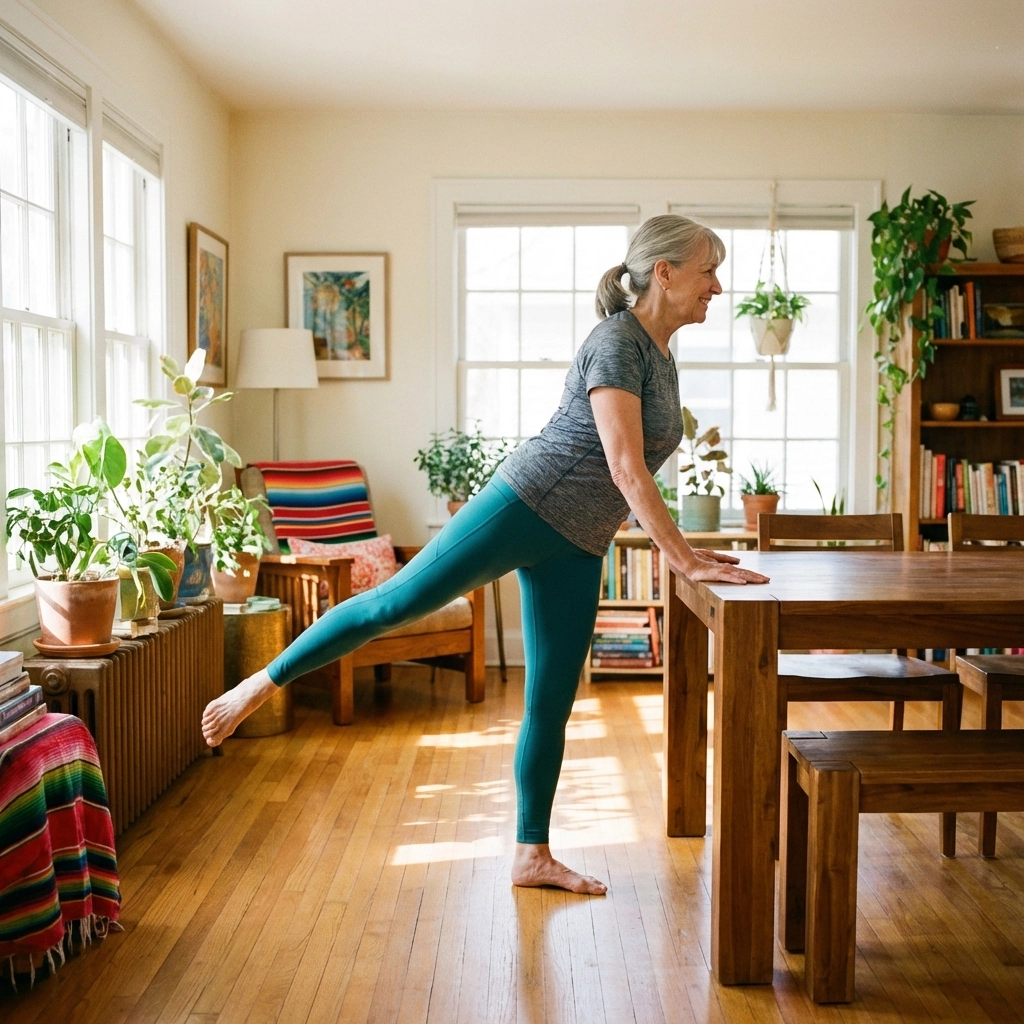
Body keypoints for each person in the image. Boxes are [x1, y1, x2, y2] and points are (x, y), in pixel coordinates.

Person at [201, 214, 769, 895]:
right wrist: (683, 555)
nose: (717, 285)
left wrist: (681, 549)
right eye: (709, 269)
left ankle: (533, 853)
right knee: (394, 603)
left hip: (580, 539)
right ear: (666, 272)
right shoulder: (616, 343)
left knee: (552, 699)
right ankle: (258, 685)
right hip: (525, 504)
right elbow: (625, 465)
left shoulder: (662, 352)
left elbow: (631, 466)